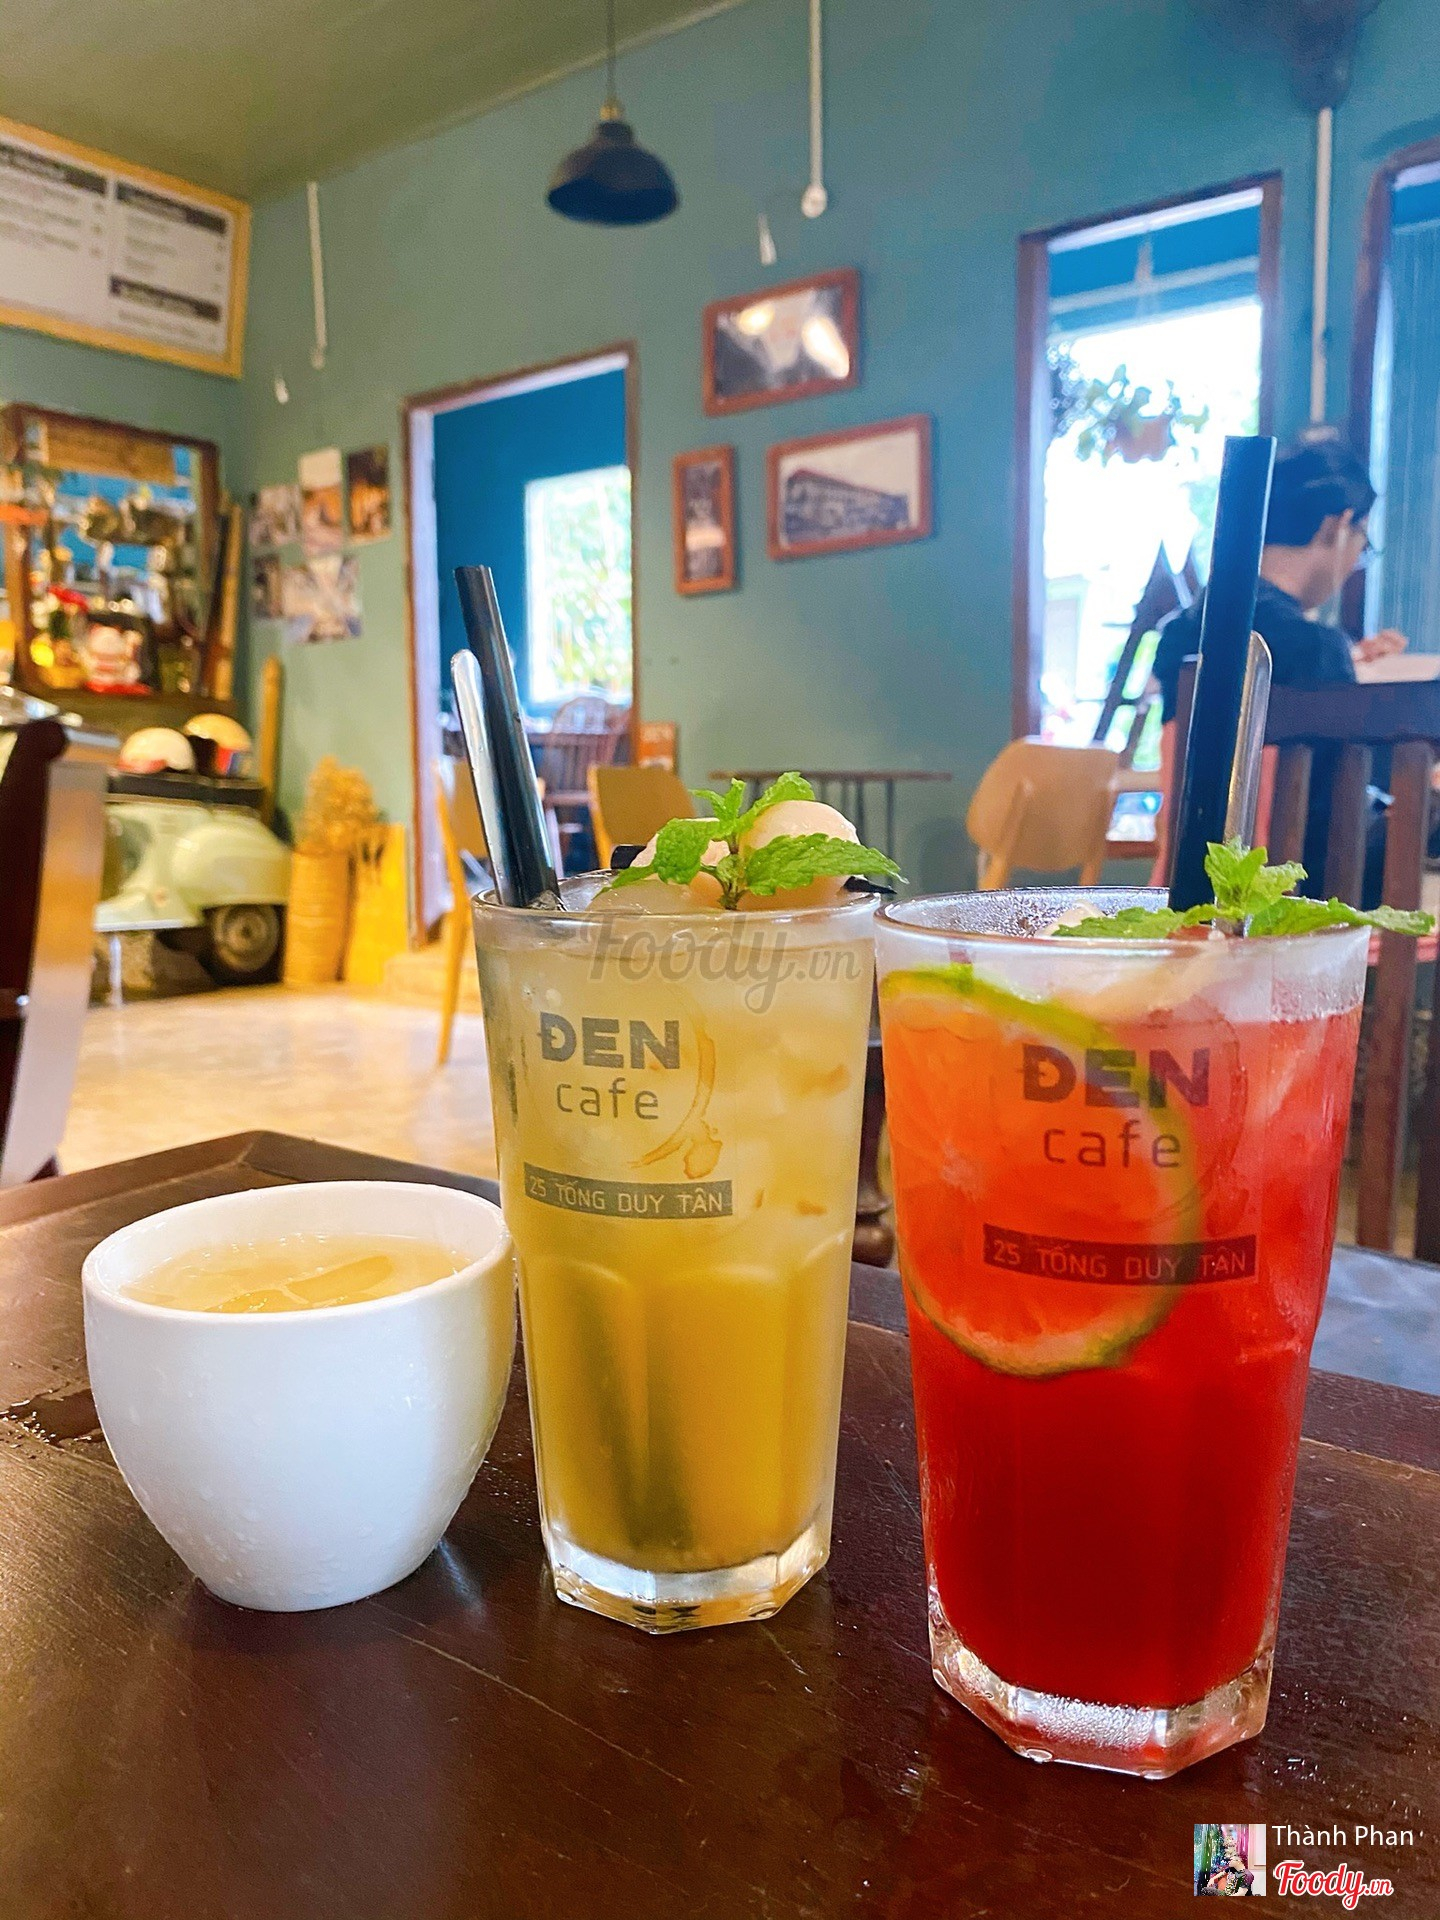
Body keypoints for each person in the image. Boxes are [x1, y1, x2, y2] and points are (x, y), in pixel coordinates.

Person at [1149, 432, 1407, 886]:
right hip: (1284, 906)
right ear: (1339, 525)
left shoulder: (1184, 631)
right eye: (1362, 544)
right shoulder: (1315, 649)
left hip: (1182, 893)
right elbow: (1354, 795)